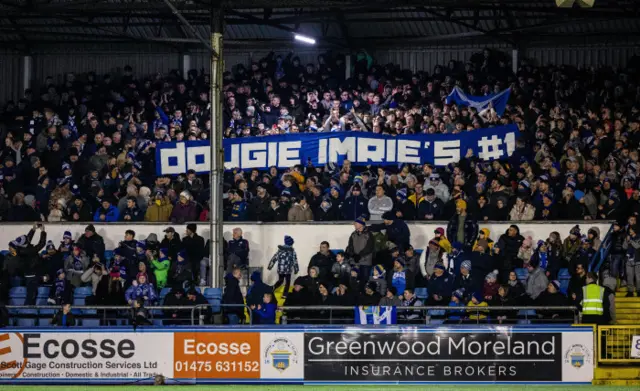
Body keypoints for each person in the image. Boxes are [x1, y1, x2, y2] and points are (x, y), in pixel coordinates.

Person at [623, 224, 640, 297]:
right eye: (629, 229)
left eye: (631, 229)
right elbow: (624, 247)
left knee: (638, 276)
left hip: (637, 260)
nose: (630, 231)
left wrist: (631, 241)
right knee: (629, 276)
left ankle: (639, 290)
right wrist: (626, 241)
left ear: (634, 230)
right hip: (628, 260)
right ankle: (630, 291)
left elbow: (637, 246)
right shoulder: (627, 238)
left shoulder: (639, 237)